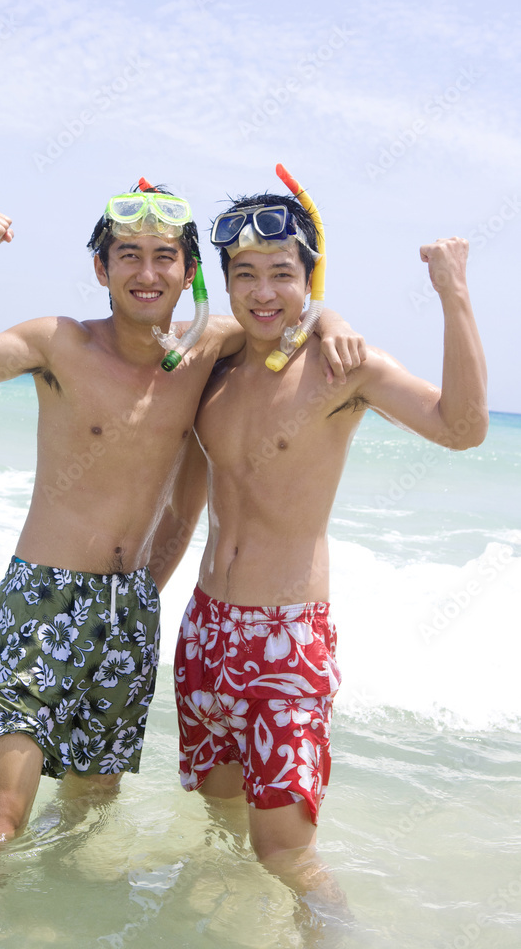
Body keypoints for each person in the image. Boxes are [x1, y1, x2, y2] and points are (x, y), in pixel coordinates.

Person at [0, 185, 363, 842]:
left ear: (189, 273)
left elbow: (285, 312)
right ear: (102, 269)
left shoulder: (205, 351)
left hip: (130, 610)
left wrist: (332, 320)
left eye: (162, 257)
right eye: (127, 256)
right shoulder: (58, 343)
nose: (146, 273)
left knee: (89, 813)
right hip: (43, 597)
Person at [173, 184, 488, 910]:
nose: (262, 292)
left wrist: (451, 291)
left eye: (281, 273)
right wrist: (321, 313)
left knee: (285, 853)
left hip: (286, 642)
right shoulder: (216, 363)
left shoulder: (344, 368)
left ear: (308, 277)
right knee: (219, 826)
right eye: (244, 274)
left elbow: (462, 426)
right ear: (224, 284)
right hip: (203, 634)